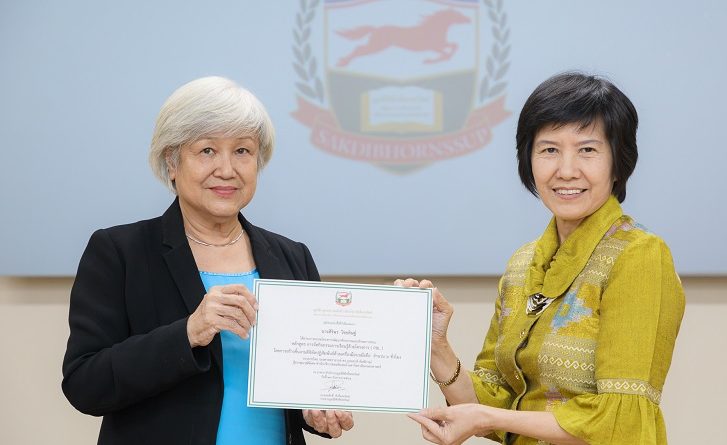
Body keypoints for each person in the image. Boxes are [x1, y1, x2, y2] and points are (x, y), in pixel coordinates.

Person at [62, 76, 353, 445]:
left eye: (242, 151)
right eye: (207, 151)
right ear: (171, 162)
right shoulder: (120, 252)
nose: (227, 169)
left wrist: (317, 411)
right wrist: (189, 332)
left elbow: (306, 382)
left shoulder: (292, 257)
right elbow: (85, 384)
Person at [402, 72, 685, 445]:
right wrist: (436, 346)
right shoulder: (523, 263)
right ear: (528, 159)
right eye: (549, 150)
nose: (566, 170)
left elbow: (621, 421)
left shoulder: (639, 255)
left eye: (587, 150)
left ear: (618, 162)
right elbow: (493, 404)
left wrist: (485, 416)